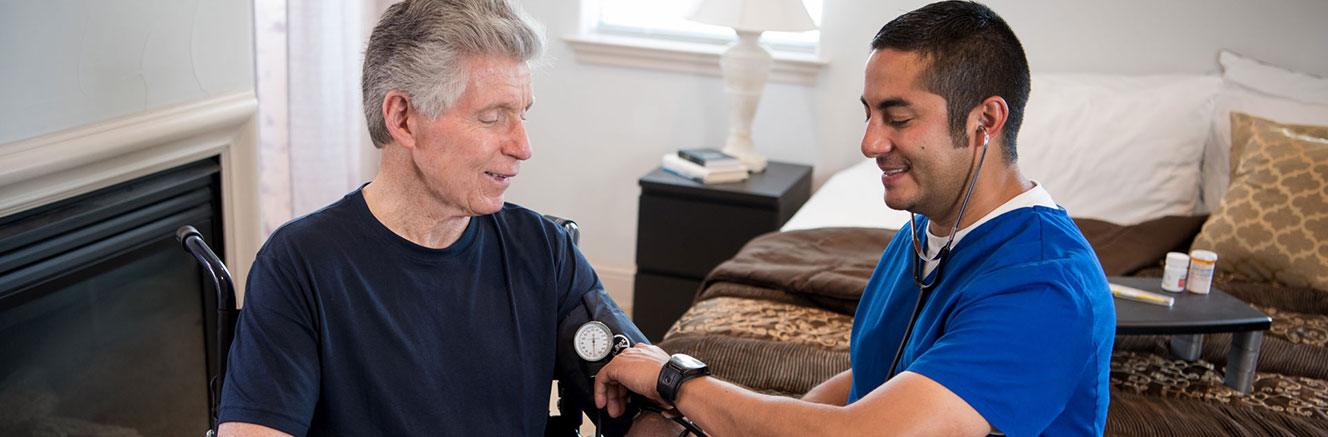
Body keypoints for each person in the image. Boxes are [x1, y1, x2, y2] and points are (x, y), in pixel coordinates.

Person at [592, 1, 1116, 435]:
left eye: (899, 118)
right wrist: (719, 419)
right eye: (868, 113)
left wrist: (679, 381)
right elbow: (873, 379)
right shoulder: (921, 233)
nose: (870, 143)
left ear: (986, 121)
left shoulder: (1044, 287)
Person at [217, 1, 661, 435]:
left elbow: (647, 407)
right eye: (492, 118)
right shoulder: (300, 265)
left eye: (522, 116)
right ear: (403, 119)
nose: (523, 147)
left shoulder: (544, 249)